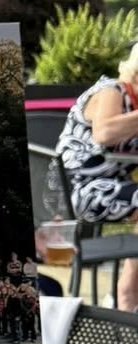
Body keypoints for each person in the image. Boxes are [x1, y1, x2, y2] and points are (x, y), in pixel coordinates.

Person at [54, 48, 138, 310]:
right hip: (74, 190)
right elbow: (104, 132)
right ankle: (126, 293)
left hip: (105, 187)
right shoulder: (112, 90)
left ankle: (126, 293)